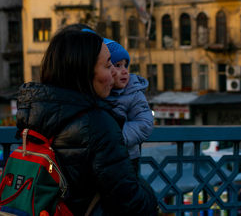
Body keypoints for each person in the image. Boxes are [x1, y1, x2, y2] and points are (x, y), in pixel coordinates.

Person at [15, 25, 158, 216]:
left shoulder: (33, 111)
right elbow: (130, 201)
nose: (115, 74)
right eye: (109, 66)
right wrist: (149, 195)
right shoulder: (98, 124)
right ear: (84, 72)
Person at [103, 38, 154, 174]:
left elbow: (144, 124)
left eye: (125, 65)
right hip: (103, 159)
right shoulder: (98, 91)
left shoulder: (134, 92)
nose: (124, 71)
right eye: (118, 65)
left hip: (128, 157)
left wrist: (116, 137)